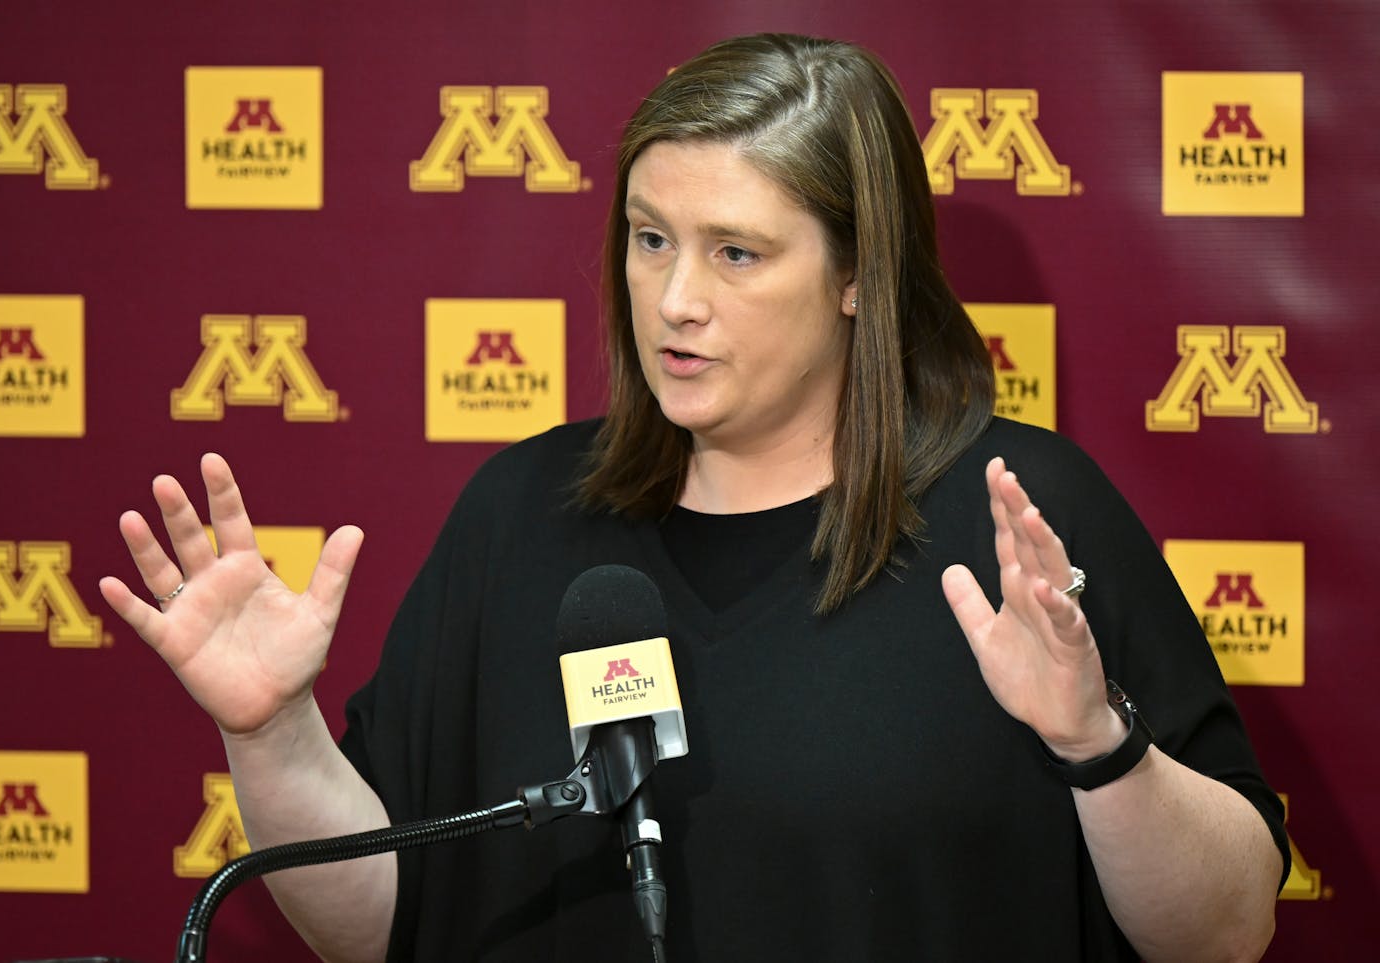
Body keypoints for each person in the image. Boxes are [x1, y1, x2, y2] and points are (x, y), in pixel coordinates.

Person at [101, 33, 1287, 962]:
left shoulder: (1018, 516)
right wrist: (268, 736)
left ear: (859, 280)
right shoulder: (521, 513)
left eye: (735, 253)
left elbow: (1227, 929)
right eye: (649, 239)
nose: (670, 300)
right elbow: (381, 925)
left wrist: (1096, 744)